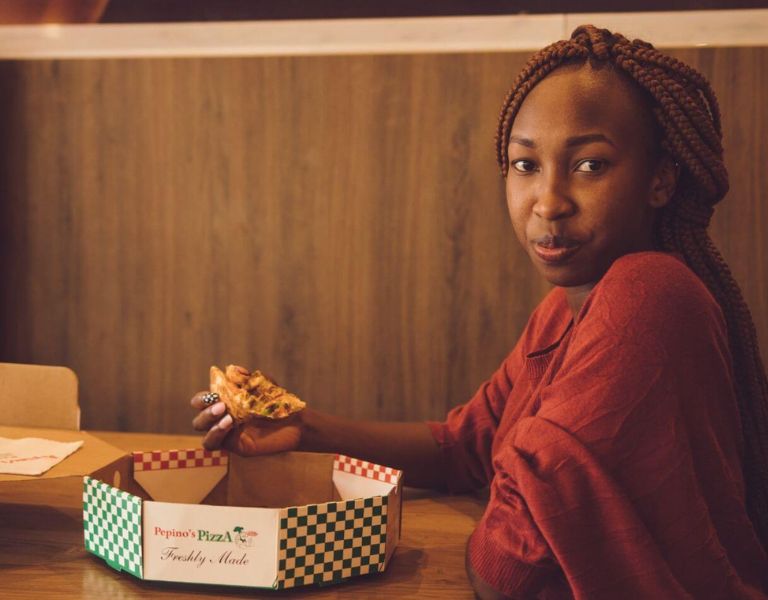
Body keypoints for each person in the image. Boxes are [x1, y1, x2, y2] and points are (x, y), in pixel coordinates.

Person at [191, 25, 768, 599]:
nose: (548, 201)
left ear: (660, 179)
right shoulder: (561, 312)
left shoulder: (648, 294)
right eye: (525, 165)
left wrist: (502, 500)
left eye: (590, 165)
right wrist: (303, 427)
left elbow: (503, 573)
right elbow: (467, 447)